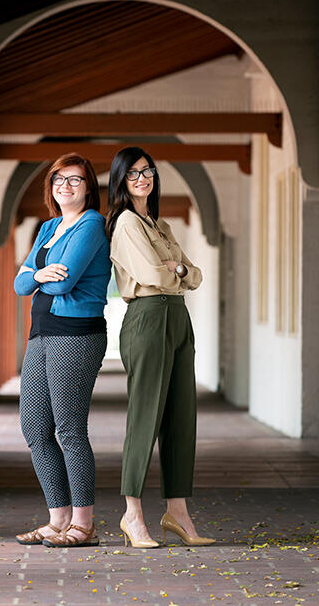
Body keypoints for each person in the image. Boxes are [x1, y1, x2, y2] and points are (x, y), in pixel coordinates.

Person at [105, 146, 215, 548]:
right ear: (121, 180)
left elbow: (195, 275)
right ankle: (132, 514)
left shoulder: (161, 226)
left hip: (178, 317)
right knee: (146, 417)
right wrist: (175, 272)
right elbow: (151, 274)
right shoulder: (126, 224)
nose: (142, 178)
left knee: (182, 415)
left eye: (147, 170)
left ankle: (177, 512)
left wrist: (178, 270)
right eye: (132, 173)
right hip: (148, 319)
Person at [13, 152, 111, 548]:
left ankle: (84, 524)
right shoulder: (49, 226)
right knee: (34, 428)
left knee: (69, 428)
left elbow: (63, 285)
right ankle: (58, 519)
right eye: (58, 180)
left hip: (76, 334)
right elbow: (21, 286)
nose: (65, 186)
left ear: (89, 187)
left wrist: (36, 274)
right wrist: (38, 272)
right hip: (40, 332)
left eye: (74, 180)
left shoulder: (91, 225)